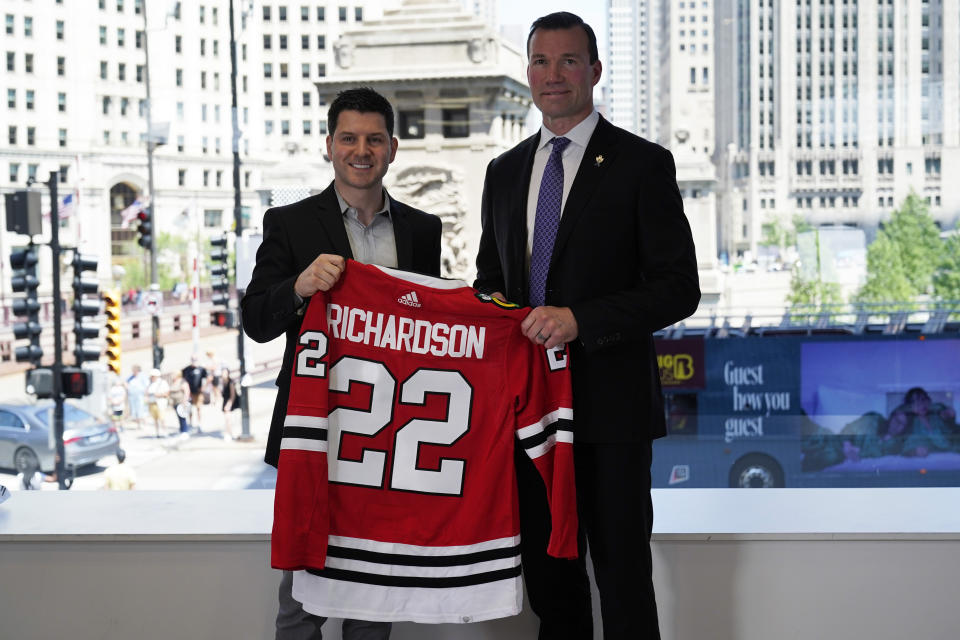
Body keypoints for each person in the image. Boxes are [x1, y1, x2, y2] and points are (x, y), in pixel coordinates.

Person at [473, 12, 700, 639]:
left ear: (594, 71)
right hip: (530, 415)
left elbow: (679, 288)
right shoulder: (504, 171)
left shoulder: (641, 165)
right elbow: (490, 279)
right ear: (527, 74)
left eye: (568, 61)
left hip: (611, 413)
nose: (554, 75)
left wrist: (580, 321)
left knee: (623, 582)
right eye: (541, 62)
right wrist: (486, 305)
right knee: (551, 585)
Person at [240, 86, 442, 640]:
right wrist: (299, 287)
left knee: (374, 599)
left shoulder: (423, 230)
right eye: (349, 138)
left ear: (393, 149)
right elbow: (256, 319)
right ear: (329, 146)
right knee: (302, 600)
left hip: (389, 439)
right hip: (315, 432)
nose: (362, 150)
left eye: (374, 139)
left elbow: (431, 330)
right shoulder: (289, 223)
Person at [181, 355, 208, 431]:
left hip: (198, 392)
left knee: (199, 408)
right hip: (189, 393)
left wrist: (204, 387)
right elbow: (183, 379)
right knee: (189, 408)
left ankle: (199, 424)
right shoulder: (186, 369)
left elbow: (207, 378)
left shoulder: (201, 369)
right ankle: (190, 423)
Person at [145, 369, 170, 438]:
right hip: (152, 402)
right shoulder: (150, 383)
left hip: (160, 403)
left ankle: (165, 432)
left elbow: (167, 393)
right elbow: (147, 392)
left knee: (162, 418)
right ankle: (157, 433)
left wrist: (158, 395)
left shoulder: (163, 382)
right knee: (155, 419)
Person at [125, 364, 148, 430]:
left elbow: (146, 386)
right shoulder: (131, 377)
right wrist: (127, 387)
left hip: (140, 395)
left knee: (141, 409)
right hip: (132, 395)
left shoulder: (142, 376)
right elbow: (126, 382)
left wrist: (146, 395)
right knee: (134, 410)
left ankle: (143, 423)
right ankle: (139, 425)